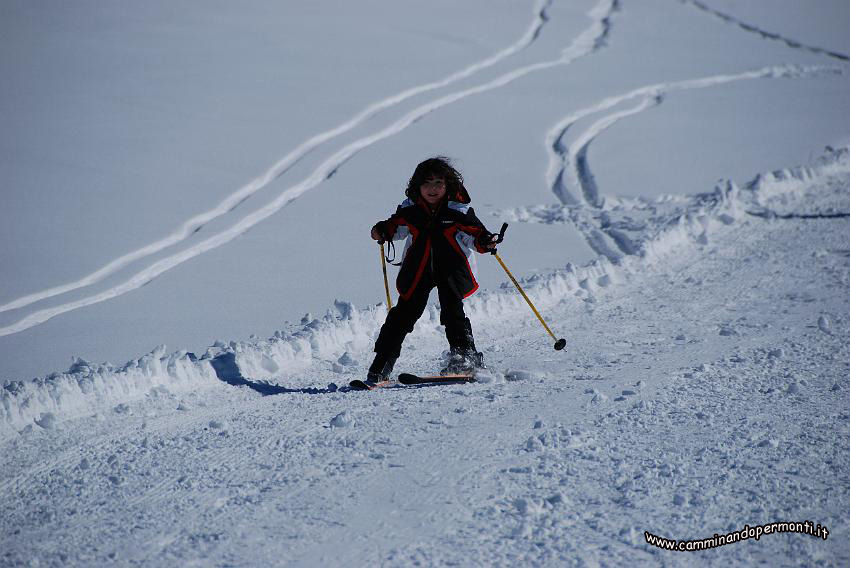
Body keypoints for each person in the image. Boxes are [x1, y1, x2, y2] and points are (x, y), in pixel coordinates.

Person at [366, 157, 499, 384]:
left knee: (452, 312)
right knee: (402, 315)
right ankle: (381, 364)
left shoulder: (458, 211)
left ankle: (465, 358)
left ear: (448, 185)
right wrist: (381, 231)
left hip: (451, 268)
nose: (433, 189)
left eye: (439, 183)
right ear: (418, 186)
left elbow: (474, 234)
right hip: (419, 268)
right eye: (427, 183)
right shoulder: (411, 210)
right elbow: (395, 227)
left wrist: (486, 242)